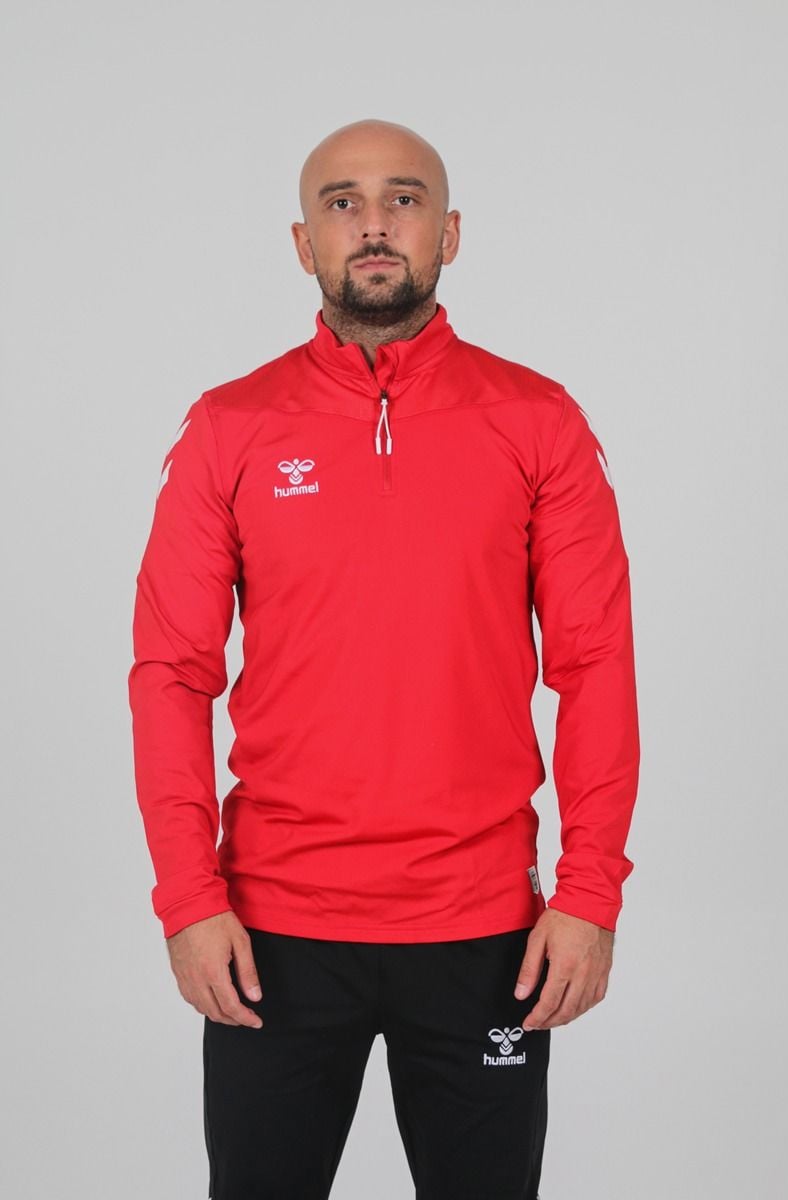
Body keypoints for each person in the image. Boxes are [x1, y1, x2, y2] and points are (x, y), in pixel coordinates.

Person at [127, 117, 640, 1200]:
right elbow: (171, 673)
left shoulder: (537, 420)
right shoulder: (230, 427)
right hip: (270, 929)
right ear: (302, 242)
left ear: (448, 234)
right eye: (342, 203)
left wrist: (589, 893)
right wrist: (188, 898)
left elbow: (594, 664)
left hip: (486, 930)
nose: (373, 225)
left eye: (403, 200)